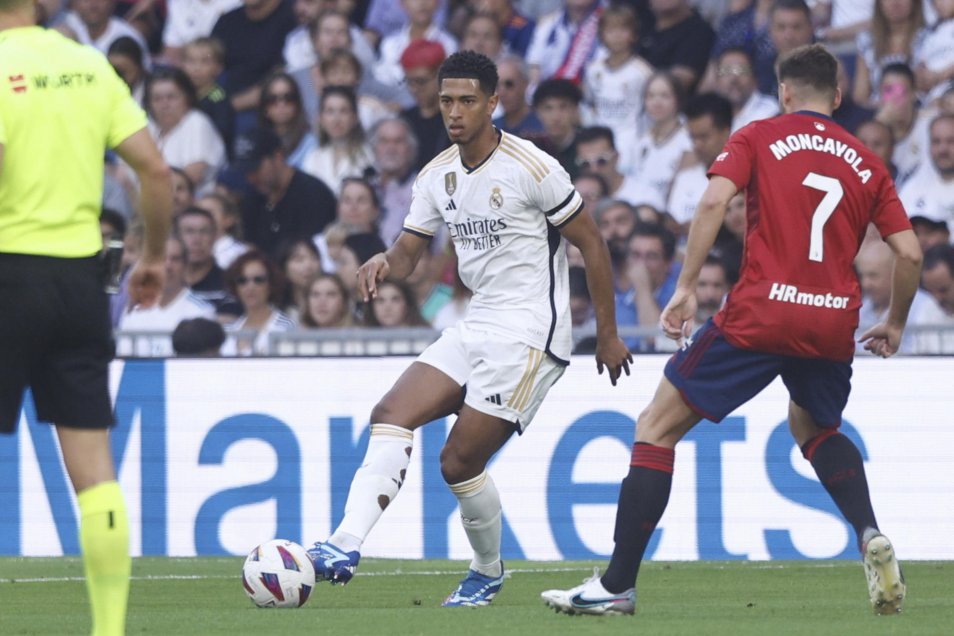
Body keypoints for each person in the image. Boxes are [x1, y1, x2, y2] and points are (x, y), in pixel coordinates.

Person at [541, 43, 921, 617]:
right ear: (838, 98)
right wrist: (893, 320)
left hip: (761, 312)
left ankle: (617, 585)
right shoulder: (867, 160)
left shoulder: (759, 136)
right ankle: (868, 532)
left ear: (785, 91)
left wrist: (688, 284)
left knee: (655, 427)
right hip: (828, 321)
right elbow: (911, 253)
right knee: (814, 426)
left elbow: (715, 199)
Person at [306, 50, 631, 607]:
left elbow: (592, 242)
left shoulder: (532, 166)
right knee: (390, 414)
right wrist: (385, 261)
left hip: (532, 334)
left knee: (458, 461)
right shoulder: (438, 175)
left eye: (466, 101)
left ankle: (486, 570)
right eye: (445, 101)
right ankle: (343, 544)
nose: (454, 112)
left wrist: (607, 332)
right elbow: (411, 249)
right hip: (477, 321)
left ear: (492, 103)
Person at [0, 2, 172, 634]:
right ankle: (108, 629)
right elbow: (154, 170)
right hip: (79, 280)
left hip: (7, 269)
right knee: (94, 470)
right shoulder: (86, 66)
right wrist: (151, 256)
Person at [117, 235, 216, 356]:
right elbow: (123, 357)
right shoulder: (134, 310)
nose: (168, 266)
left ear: (185, 266)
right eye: (162, 259)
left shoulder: (202, 311)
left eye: (175, 259)